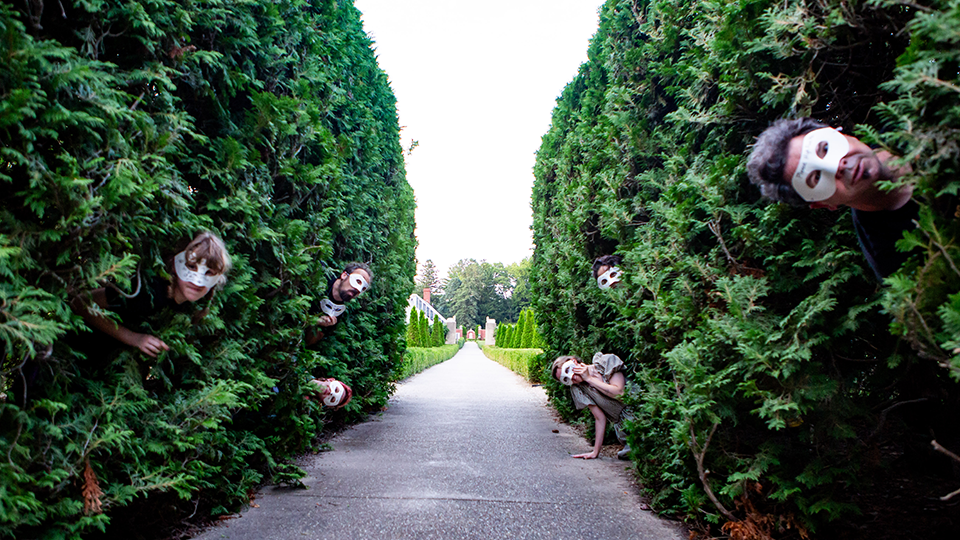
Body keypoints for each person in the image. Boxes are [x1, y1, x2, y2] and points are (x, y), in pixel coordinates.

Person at [746, 117, 917, 280]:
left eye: (825, 149)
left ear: (841, 134)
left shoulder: (909, 117)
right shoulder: (893, 259)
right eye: (816, 177)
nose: (837, 166)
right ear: (822, 203)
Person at [71, 231, 232, 358]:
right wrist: (134, 338)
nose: (197, 281)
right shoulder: (150, 291)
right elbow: (81, 302)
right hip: (78, 350)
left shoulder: (192, 304)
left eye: (209, 272)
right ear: (175, 265)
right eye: (191, 267)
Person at [552, 353, 631, 460]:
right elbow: (600, 418)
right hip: (626, 430)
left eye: (567, 370)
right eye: (565, 379)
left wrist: (589, 378)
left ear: (574, 361)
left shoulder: (606, 362)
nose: (572, 377)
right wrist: (595, 452)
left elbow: (619, 393)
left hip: (640, 411)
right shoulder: (580, 389)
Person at [305, 262, 374, 345]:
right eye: (358, 281)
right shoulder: (321, 275)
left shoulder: (337, 312)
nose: (358, 290)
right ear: (344, 275)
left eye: (363, 288)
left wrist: (316, 324)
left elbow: (307, 342)